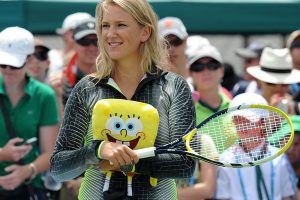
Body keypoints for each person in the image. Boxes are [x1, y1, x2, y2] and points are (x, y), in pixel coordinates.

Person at [50, 1, 196, 200]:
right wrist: (98, 150)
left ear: (145, 32)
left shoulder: (173, 86)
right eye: (105, 25)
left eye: (121, 25)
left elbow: (185, 164)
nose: (110, 34)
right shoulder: (87, 88)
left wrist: (129, 160)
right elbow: (59, 167)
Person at [0, 27, 59, 199]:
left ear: (30, 59)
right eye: (2, 64)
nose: (8, 70)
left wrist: (27, 170)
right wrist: (3, 154)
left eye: (15, 64)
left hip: (27, 190)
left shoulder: (44, 95)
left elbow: (50, 154)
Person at [215, 93, 297, 200]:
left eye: (248, 120)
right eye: (237, 119)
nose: (241, 124)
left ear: (262, 122)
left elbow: (287, 196)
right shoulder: (226, 159)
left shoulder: (279, 158)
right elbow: (223, 196)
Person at [177, 44, 230, 200]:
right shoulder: (185, 112)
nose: (206, 71)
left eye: (212, 65)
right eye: (198, 67)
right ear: (191, 73)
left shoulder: (237, 108)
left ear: (221, 71)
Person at [246, 47, 300, 115]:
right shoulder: (248, 108)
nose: (278, 88)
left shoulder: (296, 108)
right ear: (259, 80)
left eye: (284, 84)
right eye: (271, 83)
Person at [61, 17, 99, 106]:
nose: (91, 47)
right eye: (84, 41)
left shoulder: (115, 76)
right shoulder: (62, 79)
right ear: (74, 44)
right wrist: (58, 95)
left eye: (97, 41)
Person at [158, 16, 194, 91]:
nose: (171, 48)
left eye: (176, 41)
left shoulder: (200, 76)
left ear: (185, 41)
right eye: (165, 43)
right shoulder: (149, 83)